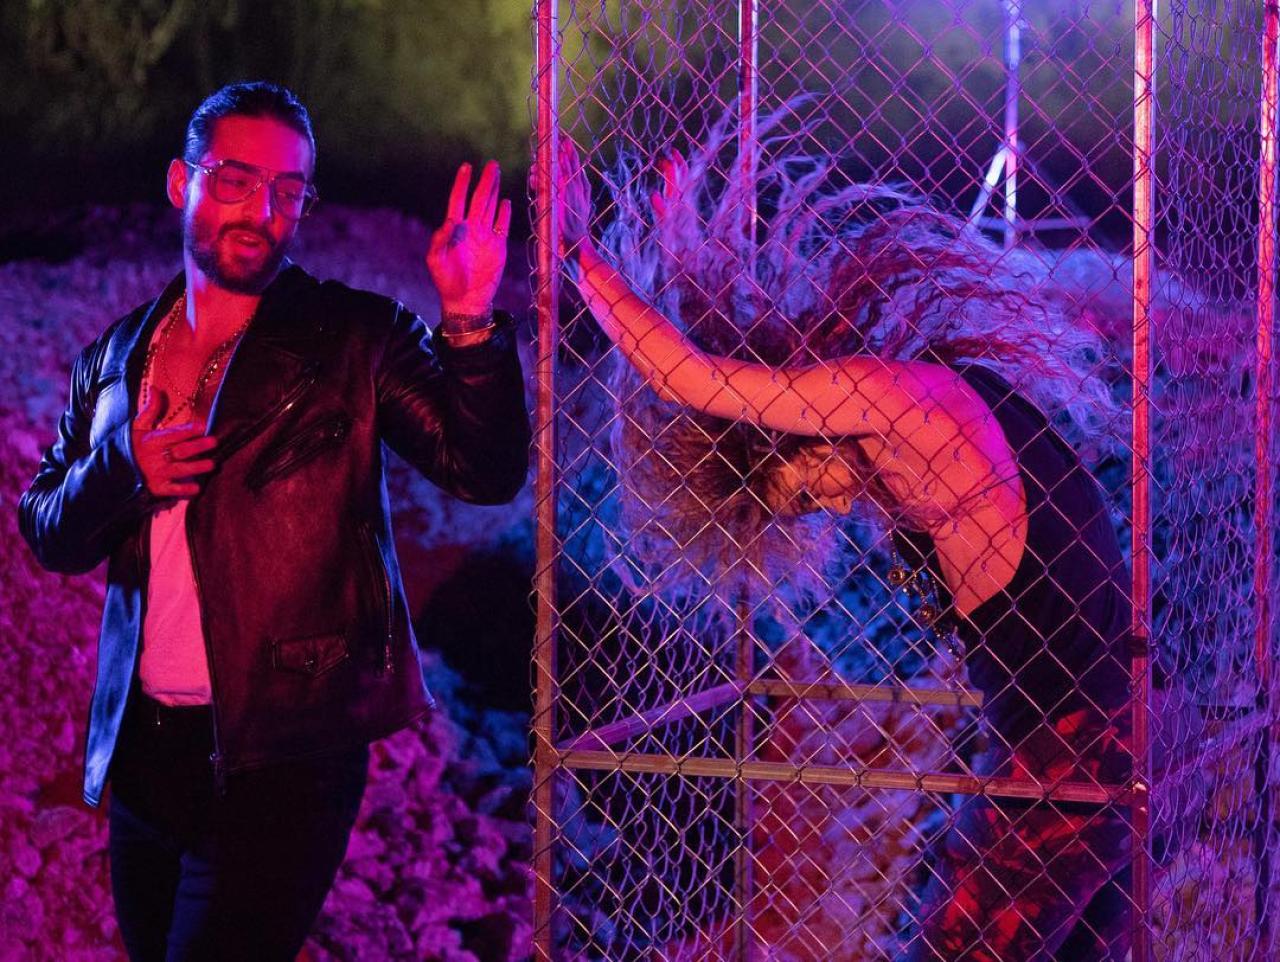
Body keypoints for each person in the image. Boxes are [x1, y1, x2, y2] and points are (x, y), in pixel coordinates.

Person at [552, 126, 1134, 961]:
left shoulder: (895, 404)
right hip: (1095, 740)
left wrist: (578, 252)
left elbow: (688, 377)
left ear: (803, 427)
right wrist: (685, 245)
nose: (829, 506)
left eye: (804, 491)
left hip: (1066, 760)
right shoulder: (939, 416)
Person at [17, 81, 529, 961]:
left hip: (284, 761)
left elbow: (483, 472)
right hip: (143, 755)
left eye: (289, 190)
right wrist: (122, 466)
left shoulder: (353, 338)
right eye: (236, 180)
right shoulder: (112, 360)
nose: (262, 210)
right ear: (180, 183)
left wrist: (470, 318)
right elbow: (46, 532)